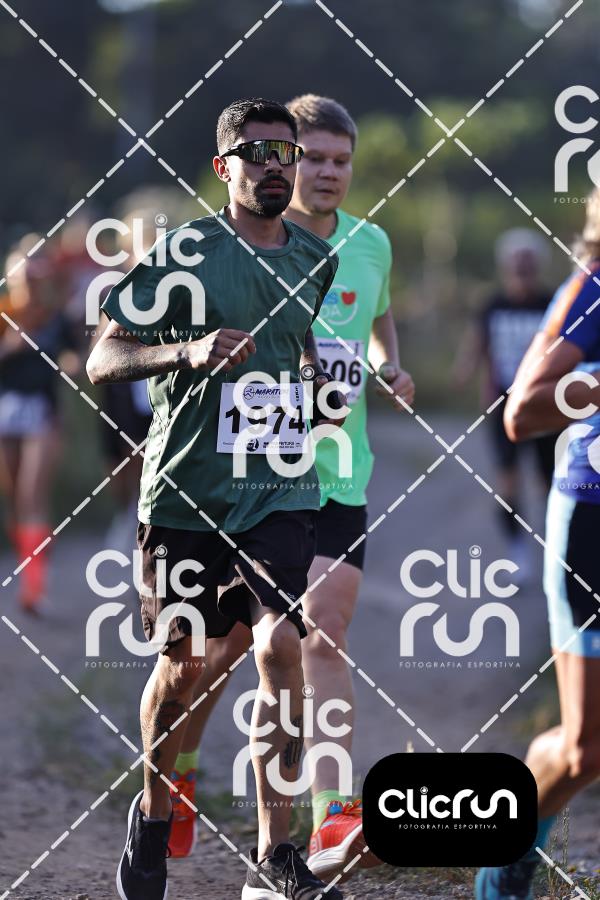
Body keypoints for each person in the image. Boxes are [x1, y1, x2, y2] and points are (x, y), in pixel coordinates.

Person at [87, 97, 345, 900]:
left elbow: (300, 342)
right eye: (257, 152)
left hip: (278, 486)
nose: (275, 165)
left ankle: (278, 851)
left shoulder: (315, 258)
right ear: (223, 166)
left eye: (284, 152)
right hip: (186, 494)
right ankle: (154, 811)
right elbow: (102, 359)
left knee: (279, 647)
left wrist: (317, 382)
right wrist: (187, 351)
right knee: (183, 668)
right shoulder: (185, 253)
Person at [167, 94, 415, 884]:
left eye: (342, 161)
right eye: (312, 158)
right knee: (223, 651)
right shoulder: (245, 248)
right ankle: (177, 773)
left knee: (321, 635)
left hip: (337, 473)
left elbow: (378, 320)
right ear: (280, 163)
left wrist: (388, 364)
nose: (328, 173)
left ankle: (330, 811)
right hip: (255, 478)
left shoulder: (371, 244)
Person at [476, 191, 600, 898]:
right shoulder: (592, 290)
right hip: (594, 520)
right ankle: (510, 849)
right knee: (584, 751)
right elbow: (523, 412)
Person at [453, 229, 556, 579]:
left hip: (544, 407)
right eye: (516, 261)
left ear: (538, 265)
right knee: (508, 483)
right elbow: (477, 342)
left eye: (529, 261)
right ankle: (518, 553)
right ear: (506, 266)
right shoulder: (494, 304)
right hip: (503, 408)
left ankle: (554, 549)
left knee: (548, 484)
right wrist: (465, 370)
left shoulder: (551, 303)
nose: (522, 268)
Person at [0, 236, 79, 612]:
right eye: (22, 277)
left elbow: (77, 354)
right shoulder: (4, 314)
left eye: (34, 276)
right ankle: (27, 567)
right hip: (5, 411)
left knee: (33, 496)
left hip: (42, 411)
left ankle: (34, 588)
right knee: (15, 498)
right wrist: (9, 348)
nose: (29, 283)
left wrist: (72, 364)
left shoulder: (55, 317)